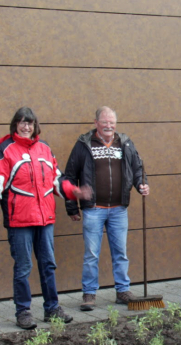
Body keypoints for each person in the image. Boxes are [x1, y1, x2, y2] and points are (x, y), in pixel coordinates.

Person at [0, 107, 91, 329]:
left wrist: (72, 191)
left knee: (48, 265)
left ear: (35, 125)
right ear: (15, 125)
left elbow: (57, 180)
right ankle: (23, 312)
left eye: (29, 122)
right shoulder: (5, 150)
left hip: (45, 219)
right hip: (19, 222)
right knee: (23, 267)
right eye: (21, 122)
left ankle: (52, 309)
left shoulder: (45, 149)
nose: (26, 126)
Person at [63, 106, 149, 311]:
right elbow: (69, 176)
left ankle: (122, 291)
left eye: (112, 122)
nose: (109, 126)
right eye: (104, 122)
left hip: (119, 209)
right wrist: (72, 207)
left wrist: (141, 184)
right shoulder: (84, 144)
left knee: (120, 252)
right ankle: (89, 294)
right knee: (91, 254)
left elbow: (137, 169)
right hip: (93, 209)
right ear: (96, 123)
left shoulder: (125, 143)